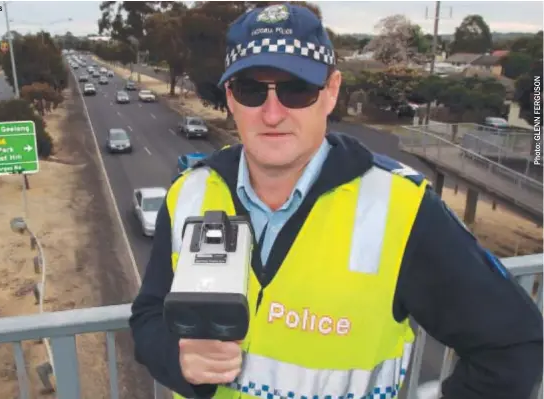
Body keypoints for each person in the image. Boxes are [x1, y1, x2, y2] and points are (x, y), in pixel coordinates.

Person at [129, 3, 543, 399]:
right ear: (231, 98)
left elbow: (513, 345)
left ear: (331, 91)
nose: (272, 113)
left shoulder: (402, 207)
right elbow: (149, 313)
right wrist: (179, 362)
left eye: (297, 90)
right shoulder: (189, 194)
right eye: (252, 90)